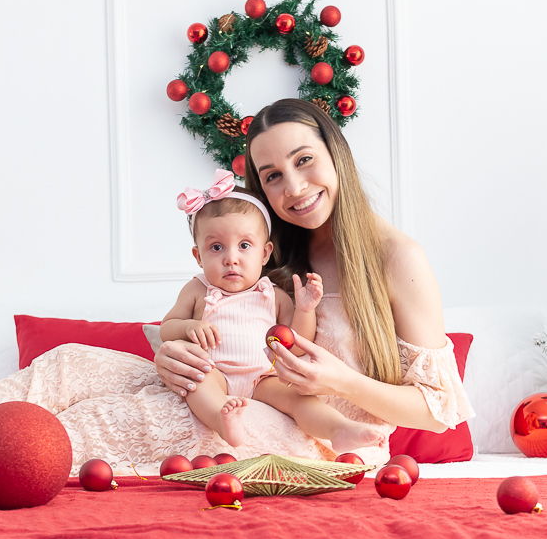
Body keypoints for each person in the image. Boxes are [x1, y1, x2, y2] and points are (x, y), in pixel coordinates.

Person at [0, 98, 473, 500]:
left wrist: (334, 379)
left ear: (334, 154)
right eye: (272, 176)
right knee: (71, 364)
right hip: (245, 389)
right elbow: (217, 323)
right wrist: (174, 346)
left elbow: (438, 408)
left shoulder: (395, 258)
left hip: (318, 439)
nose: (292, 187)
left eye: (304, 162)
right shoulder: (276, 251)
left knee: (115, 416)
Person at [163, 168, 386, 453]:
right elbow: (167, 327)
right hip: (215, 371)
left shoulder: (273, 295)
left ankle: (338, 429)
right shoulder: (198, 290)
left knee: (299, 400)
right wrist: (187, 327)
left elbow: (293, 344)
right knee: (199, 383)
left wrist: (305, 309)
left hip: (262, 378)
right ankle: (222, 420)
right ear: (198, 256)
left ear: (265, 253)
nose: (231, 259)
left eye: (244, 245)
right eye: (216, 247)